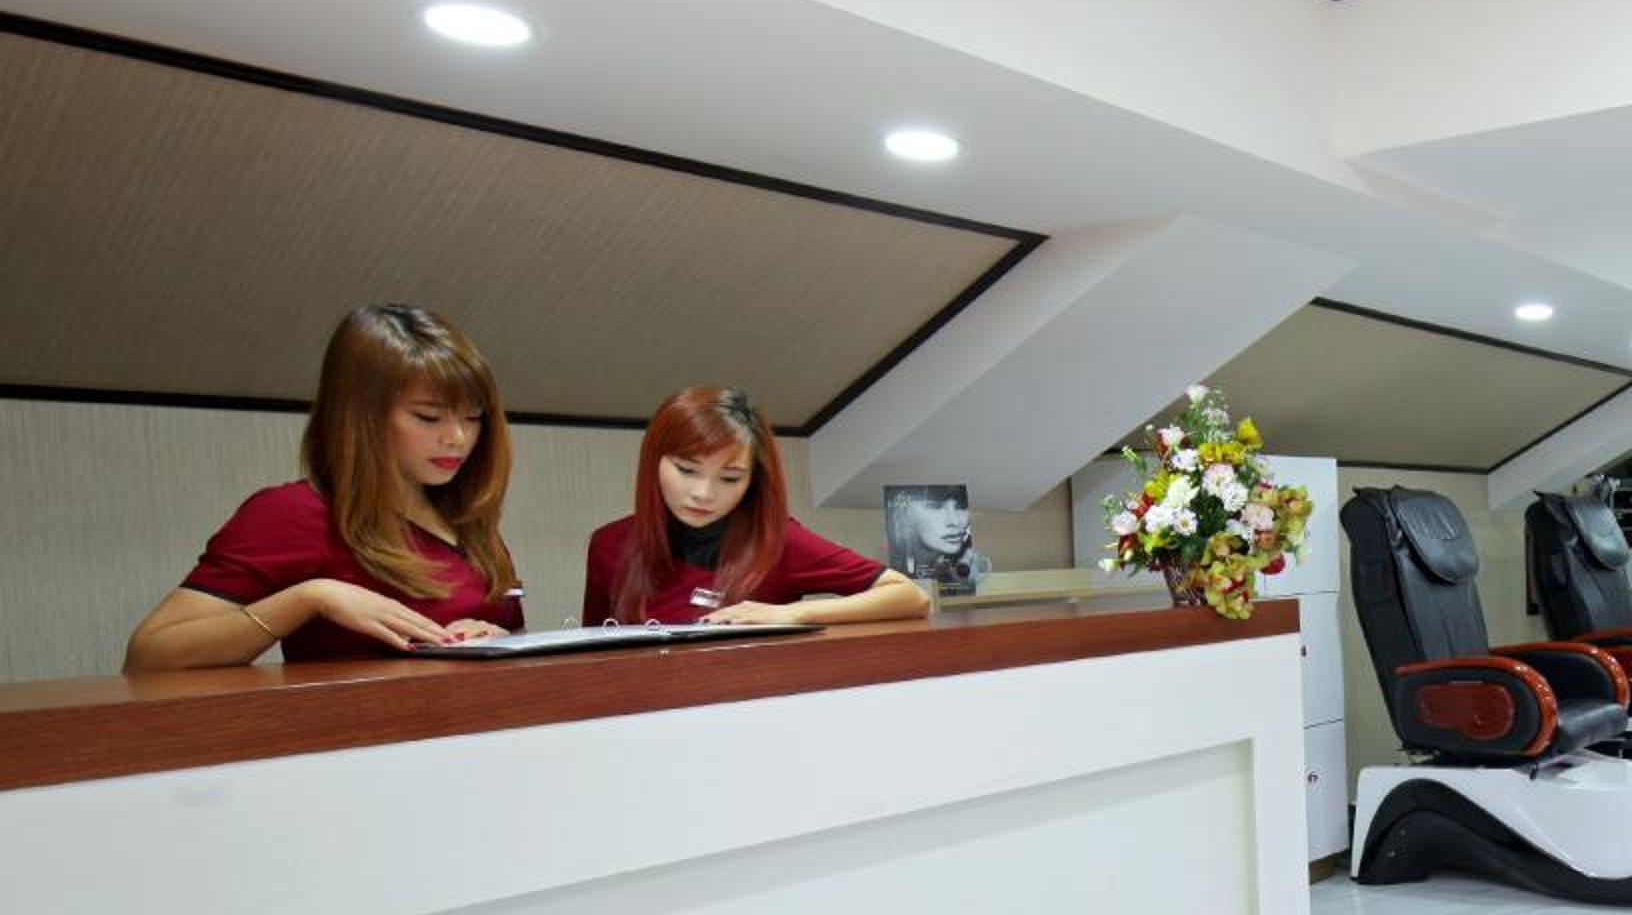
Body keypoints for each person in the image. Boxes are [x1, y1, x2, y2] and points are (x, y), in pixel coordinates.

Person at [124, 304, 523, 669]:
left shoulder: (467, 520)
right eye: (428, 417)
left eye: (473, 417)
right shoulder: (293, 514)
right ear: (362, 416)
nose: (457, 438)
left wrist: (497, 640)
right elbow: (149, 655)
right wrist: (310, 598)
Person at [585, 386, 929, 627]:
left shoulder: (775, 541)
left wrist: (791, 614)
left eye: (730, 478)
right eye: (687, 470)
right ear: (654, 461)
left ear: (752, 481)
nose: (704, 493)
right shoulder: (608, 544)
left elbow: (909, 595)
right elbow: (590, 653)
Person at [885, 485, 990, 594]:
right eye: (935, 506)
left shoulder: (970, 564)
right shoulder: (896, 576)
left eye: (961, 506)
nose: (954, 521)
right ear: (906, 515)